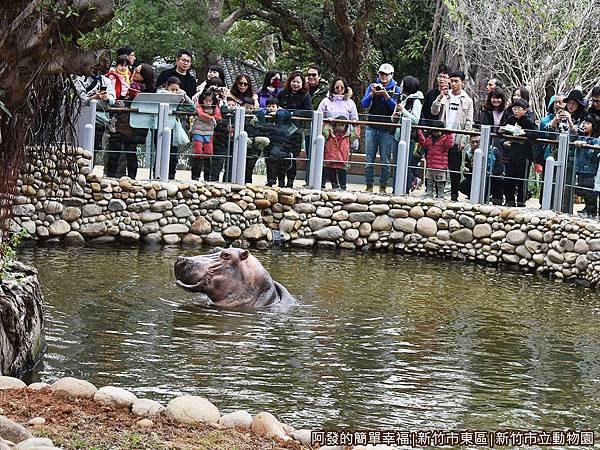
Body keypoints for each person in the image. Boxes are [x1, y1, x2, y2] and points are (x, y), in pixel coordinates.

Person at [431, 70, 474, 201]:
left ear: (463, 82)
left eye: (456, 81)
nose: (453, 84)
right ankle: (439, 192)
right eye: (452, 81)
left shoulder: (467, 100)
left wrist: (464, 139)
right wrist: (439, 97)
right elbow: (434, 111)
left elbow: (468, 122)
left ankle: (454, 194)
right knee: (439, 165)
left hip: (456, 138)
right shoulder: (445, 95)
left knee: (454, 168)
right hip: (441, 137)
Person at [360, 63, 402, 193]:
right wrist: (372, 93)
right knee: (369, 159)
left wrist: (385, 95)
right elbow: (364, 104)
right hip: (371, 126)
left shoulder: (396, 89)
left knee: (385, 160)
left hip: (387, 129)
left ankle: (383, 186)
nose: (383, 76)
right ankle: (369, 186)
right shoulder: (372, 86)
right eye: (381, 74)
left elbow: (395, 108)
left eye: (386, 74)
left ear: (391, 75)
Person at [277, 71, 312, 186]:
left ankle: (290, 181)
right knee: (280, 156)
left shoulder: (306, 95)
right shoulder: (283, 93)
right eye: (293, 81)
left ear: (302, 83)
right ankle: (280, 181)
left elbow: (308, 113)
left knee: (292, 157)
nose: (295, 84)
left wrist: (290, 113)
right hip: (281, 130)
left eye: (298, 82)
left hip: (296, 130)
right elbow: (275, 104)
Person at [500, 98, 536, 206]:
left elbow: (535, 134)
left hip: (524, 155)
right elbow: (502, 132)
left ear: (525, 110)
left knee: (522, 179)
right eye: (514, 108)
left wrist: (522, 133)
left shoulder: (528, 122)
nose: (516, 111)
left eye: (519, 109)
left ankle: (521, 201)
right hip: (510, 154)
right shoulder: (510, 119)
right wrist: (503, 139)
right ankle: (509, 200)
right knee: (508, 177)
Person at [74, 59, 116, 151]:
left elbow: (113, 99)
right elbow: (81, 100)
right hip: (83, 119)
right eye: (96, 66)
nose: (97, 69)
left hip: (100, 121)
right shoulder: (80, 79)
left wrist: (106, 98)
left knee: (95, 149)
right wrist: (94, 97)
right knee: (81, 147)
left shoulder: (106, 81)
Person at [158, 77, 195, 180]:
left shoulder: (180, 97)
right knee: (160, 152)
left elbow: (192, 108)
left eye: (176, 90)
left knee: (173, 153)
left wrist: (183, 95)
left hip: (173, 127)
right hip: (160, 126)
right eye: (172, 89)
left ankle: (171, 175)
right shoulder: (160, 93)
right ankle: (158, 174)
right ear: (167, 86)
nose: (174, 92)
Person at [392, 75, 424, 191]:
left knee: (405, 164)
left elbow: (415, 120)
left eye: (402, 84)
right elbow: (395, 118)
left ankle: (405, 189)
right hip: (397, 136)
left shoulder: (416, 101)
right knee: (396, 164)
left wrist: (403, 110)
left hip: (409, 137)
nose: (400, 86)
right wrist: (395, 116)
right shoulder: (403, 98)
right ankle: (395, 189)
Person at [417, 121, 454, 198]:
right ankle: (429, 194)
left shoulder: (445, 139)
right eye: (434, 131)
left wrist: (449, 134)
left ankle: (440, 196)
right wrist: (420, 133)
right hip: (430, 166)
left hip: (440, 167)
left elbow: (449, 144)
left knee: (440, 184)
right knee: (429, 182)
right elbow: (424, 143)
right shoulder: (430, 138)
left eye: (438, 131)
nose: (436, 133)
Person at [190, 90, 221, 181]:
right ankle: (195, 175)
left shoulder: (215, 108)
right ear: (202, 100)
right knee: (198, 152)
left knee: (208, 152)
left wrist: (214, 113)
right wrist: (211, 118)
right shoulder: (199, 106)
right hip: (198, 132)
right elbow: (200, 114)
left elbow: (218, 117)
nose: (208, 103)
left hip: (209, 133)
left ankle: (207, 176)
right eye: (206, 101)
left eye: (210, 101)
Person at [322, 114, 358, 190]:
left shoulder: (348, 136)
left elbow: (356, 135)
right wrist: (328, 123)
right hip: (330, 158)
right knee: (329, 172)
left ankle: (343, 186)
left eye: (342, 125)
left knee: (342, 172)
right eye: (338, 125)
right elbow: (325, 132)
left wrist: (355, 125)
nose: (340, 127)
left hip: (342, 159)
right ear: (335, 125)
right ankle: (329, 185)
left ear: (346, 126)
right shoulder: (330, 134)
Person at [573, 114, 600, 218]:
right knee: (582, 189)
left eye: (588, 123)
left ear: (594, 126)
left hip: (590, 169)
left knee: (589, 191)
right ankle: (587, 208)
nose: (585, 125)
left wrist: (586, 145)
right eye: (584, 122)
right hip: (580, 168)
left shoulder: (596, 139)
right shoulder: (582, 136)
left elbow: (593, 154)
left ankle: (592, 211)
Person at [209, 96, 237, 182]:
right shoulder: (220, 116)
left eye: (233, 105)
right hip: (220, 141)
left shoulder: (237, 116)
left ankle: (228, 180)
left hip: (232, 142)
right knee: (217, 162)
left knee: (230, 163)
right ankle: (213, 180)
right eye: (229, 104)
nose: (231, 106)